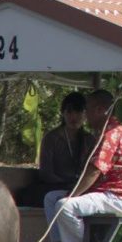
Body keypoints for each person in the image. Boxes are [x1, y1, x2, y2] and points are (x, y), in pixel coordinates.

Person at [50, 88, 122, 242]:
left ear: (100, 110)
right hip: (109, 193)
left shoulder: (111, 134)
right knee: (53, 198)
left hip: (116, 197)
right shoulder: (110, 131)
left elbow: (94, 171)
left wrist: (73, 194)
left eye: (87, 110)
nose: (85, 115)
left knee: (64, 206)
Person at [36, 91, 92, 228]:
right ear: (63, 113)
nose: (74, 117)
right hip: (57, 186)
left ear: (85, 114)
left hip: (81, 188)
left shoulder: (90, 139)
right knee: (52, 198)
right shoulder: (52, 138)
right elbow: (46, 173)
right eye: (69, 112)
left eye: (79, 112)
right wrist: (67, 183)